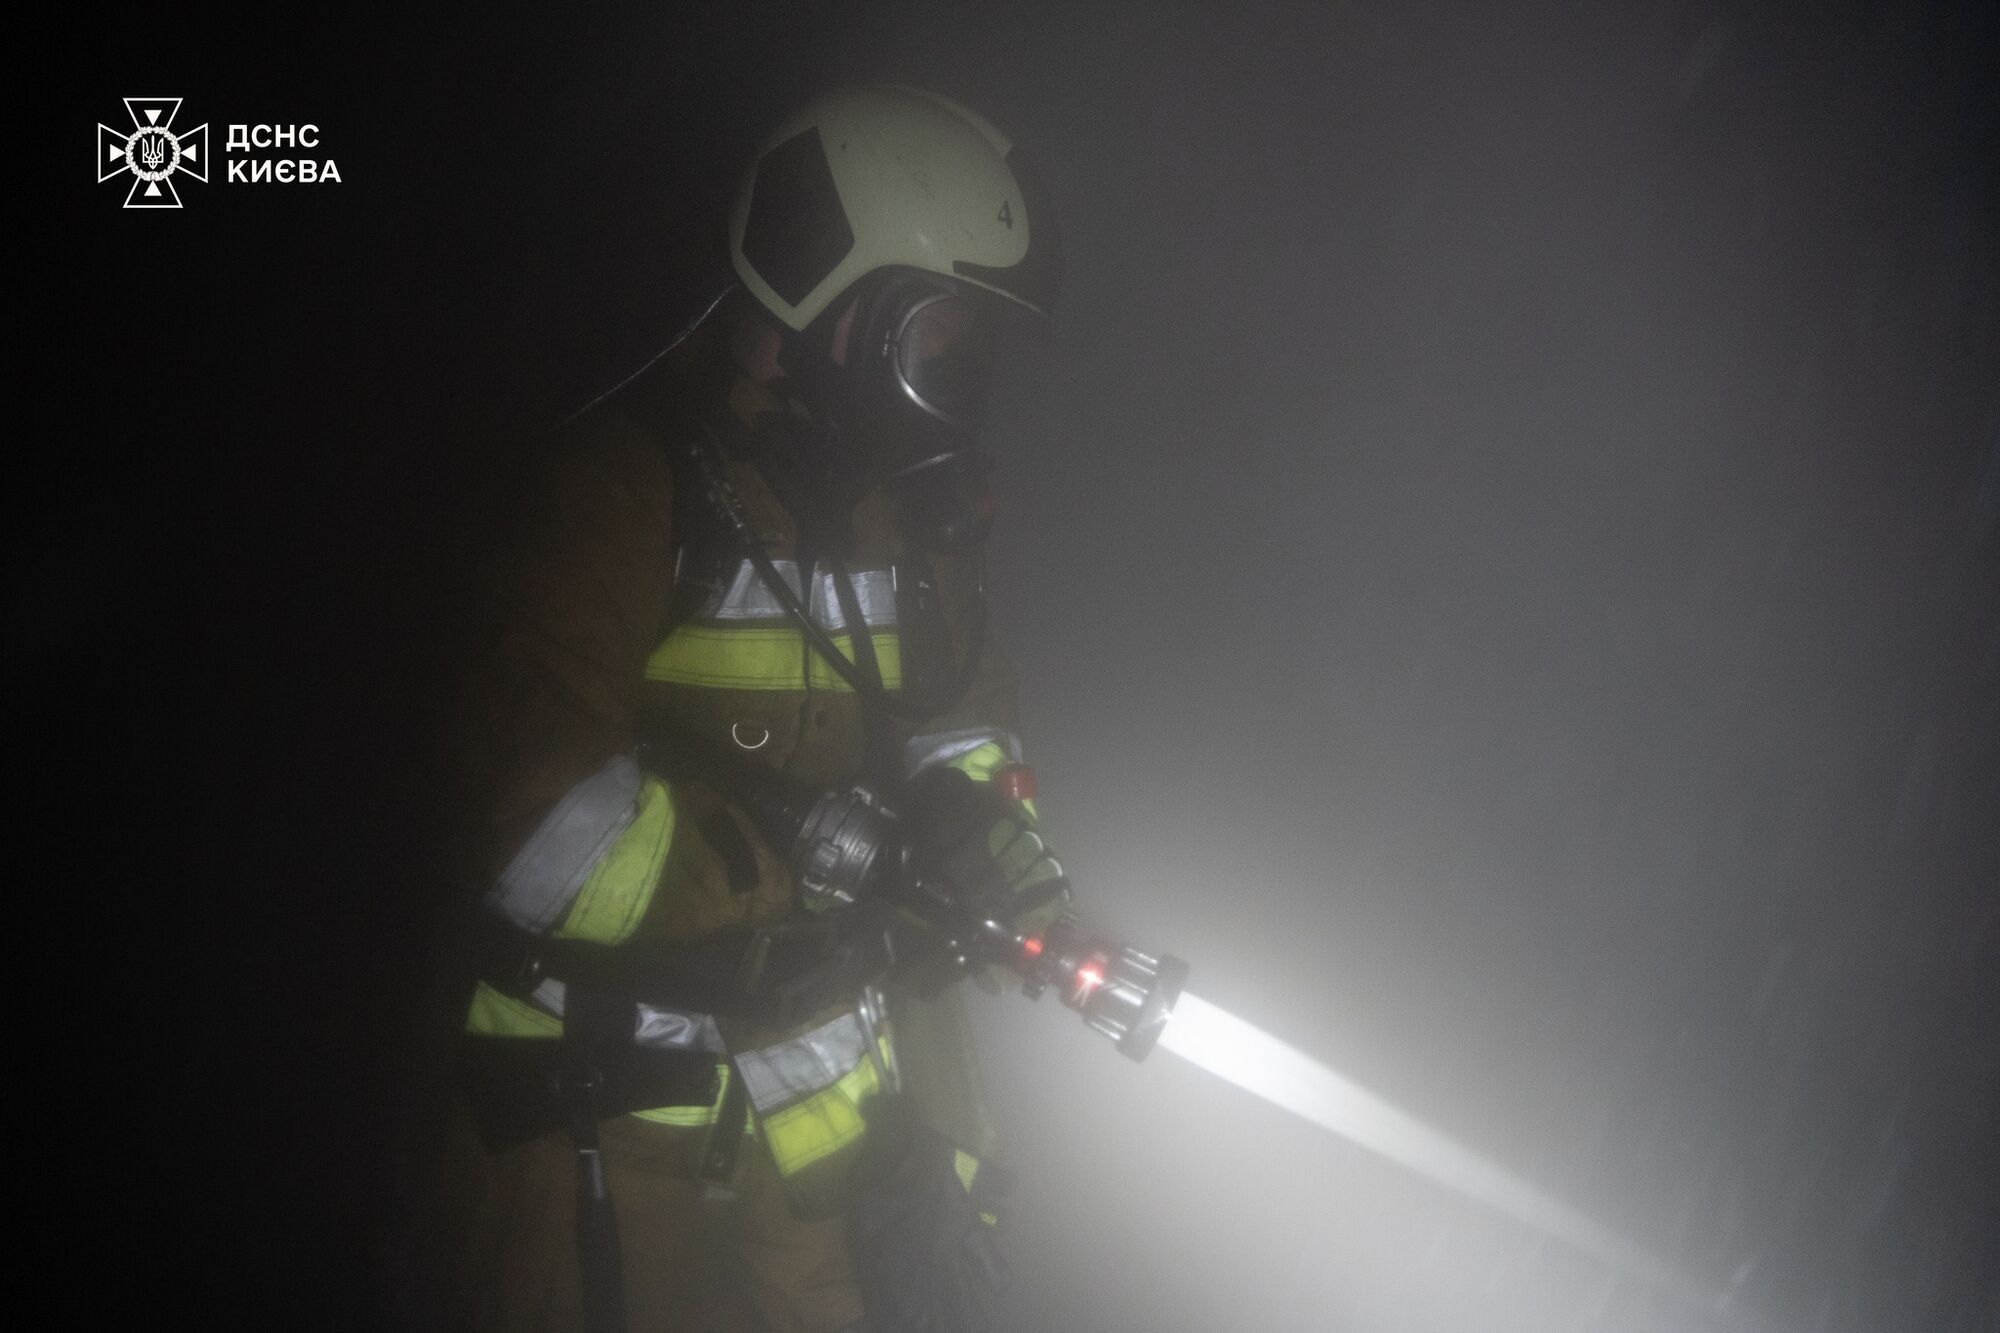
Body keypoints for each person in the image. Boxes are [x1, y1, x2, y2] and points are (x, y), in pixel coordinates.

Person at [439, 84, 1069, 1332]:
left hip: (824, 1156)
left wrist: (984, 839)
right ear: (835, 307)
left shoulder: (909, 529)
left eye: (970, 356)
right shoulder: (618, 490)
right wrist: (811, 864)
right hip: (601, 1140)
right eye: (935, 345)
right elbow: (525, 812)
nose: (954, 388)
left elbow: (964, 715)